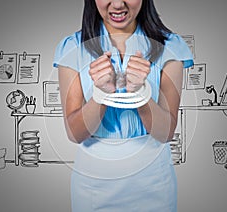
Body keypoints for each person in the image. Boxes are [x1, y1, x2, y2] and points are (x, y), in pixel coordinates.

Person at [53, 0, 193, 211]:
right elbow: (75, 133)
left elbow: (165, 133)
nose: (118, 4)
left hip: (154, 183)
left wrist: (140, 94)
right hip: (93, 186)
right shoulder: (72, 48)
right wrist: (101, 94)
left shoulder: (170, 46)